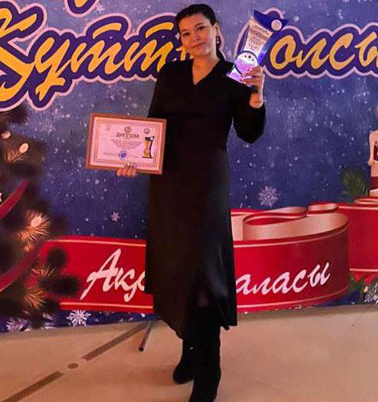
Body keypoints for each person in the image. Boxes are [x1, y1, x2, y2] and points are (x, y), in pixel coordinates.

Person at [117, 4, 266, 401]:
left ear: (216, 30)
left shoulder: (237, 74)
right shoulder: (171, 73)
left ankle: (209, 369)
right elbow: (153, 128)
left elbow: (249, 133)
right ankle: (189, 350)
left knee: (204, 273)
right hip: (167, 184)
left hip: (208, 183)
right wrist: (131, 158)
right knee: (177, 270)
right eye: (186, 33)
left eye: (200, 29)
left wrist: (256, 97)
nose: (194, 38)